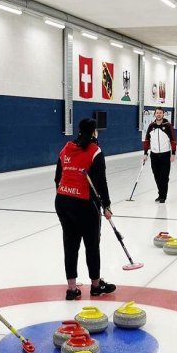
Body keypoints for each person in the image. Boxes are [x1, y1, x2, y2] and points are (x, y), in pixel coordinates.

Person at [54, 118, 116, 300]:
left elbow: (57, 177)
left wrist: (66, 194)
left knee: (70, 244)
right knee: (91, 244)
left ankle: (72, 288)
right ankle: (96, 286)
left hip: (63, 201)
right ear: (94, 132)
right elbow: (100, 182)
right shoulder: (95, 151)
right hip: (84, 204)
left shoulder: (65, 148)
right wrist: (106, 205)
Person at [142, 107, 177, 203]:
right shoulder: (151, 126)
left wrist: (173, 153)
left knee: (164, 176)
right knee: (156, 176)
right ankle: (160, 193)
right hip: (154, 155)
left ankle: (163, 196)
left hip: (165, 155)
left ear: (163, 114)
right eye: (157, 113)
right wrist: (145, 153)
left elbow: (173, 140)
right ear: (155, 114)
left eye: (160, 113)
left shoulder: (168, 126)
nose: (158, 114)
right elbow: (147, 140)